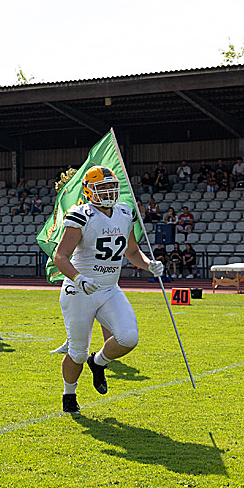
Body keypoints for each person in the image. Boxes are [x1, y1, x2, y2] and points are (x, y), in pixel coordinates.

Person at [52, 166, 164, 414]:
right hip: (80, 291)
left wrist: (149, 265)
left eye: (112, 187)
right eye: (102, 188)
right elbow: (60, 256)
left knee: (129, 338)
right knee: (77, 353)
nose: (109, 192)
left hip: (109, 288)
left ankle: (98, 361)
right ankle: (69, 393)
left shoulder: (124, 212)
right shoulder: (81, 215)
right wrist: (79, 278)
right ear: (89, 191)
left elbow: (132, 251)